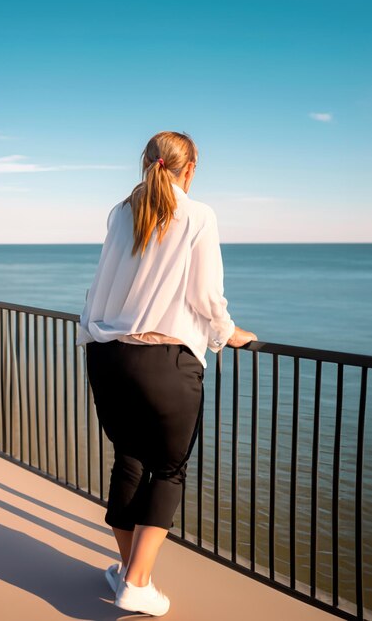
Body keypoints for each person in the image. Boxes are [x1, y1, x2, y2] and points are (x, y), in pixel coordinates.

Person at [75, 131, 257, 616]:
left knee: (129, 459)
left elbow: (102, 284)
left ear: (147, 163)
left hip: (107, 355)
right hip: (164, 362)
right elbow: (205, 294)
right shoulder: (198, 215)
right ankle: (137, 582)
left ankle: (131, 574)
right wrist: (227, 333)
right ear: (190, 167)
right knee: (169, 470)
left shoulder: (120, 212)